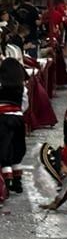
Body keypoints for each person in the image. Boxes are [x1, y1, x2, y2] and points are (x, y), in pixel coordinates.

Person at [0, 58, 28, 195]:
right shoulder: (21, 86)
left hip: (2, 118)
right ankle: (18, 181)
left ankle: (7, 180)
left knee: (4, 148)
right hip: (17, 117)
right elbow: (25, 103)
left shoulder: (1, 84)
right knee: (17, 147)